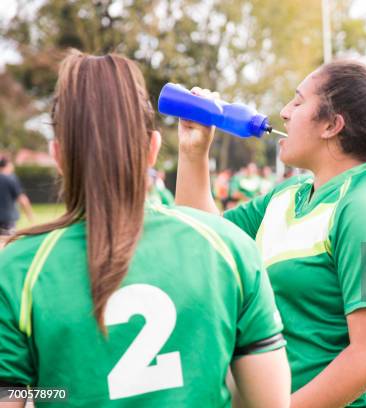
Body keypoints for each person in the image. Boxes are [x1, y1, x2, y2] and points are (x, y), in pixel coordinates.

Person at [0, 51, 290, 408]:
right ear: (153, 149)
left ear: (57, 155)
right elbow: (269, 402)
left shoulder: (17, 269)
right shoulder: (229, 248)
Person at [175, 59, 366, 408]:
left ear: (331, 125)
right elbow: (206, 238)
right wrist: (193, 152)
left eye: (297, 102)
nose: (283, 112)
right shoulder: (288, 196)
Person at [0, 156, 34, 238]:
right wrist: (30, 216)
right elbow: (22, 199)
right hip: (8, 218)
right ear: (8, 165)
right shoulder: (11, 178)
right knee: (6, 243)